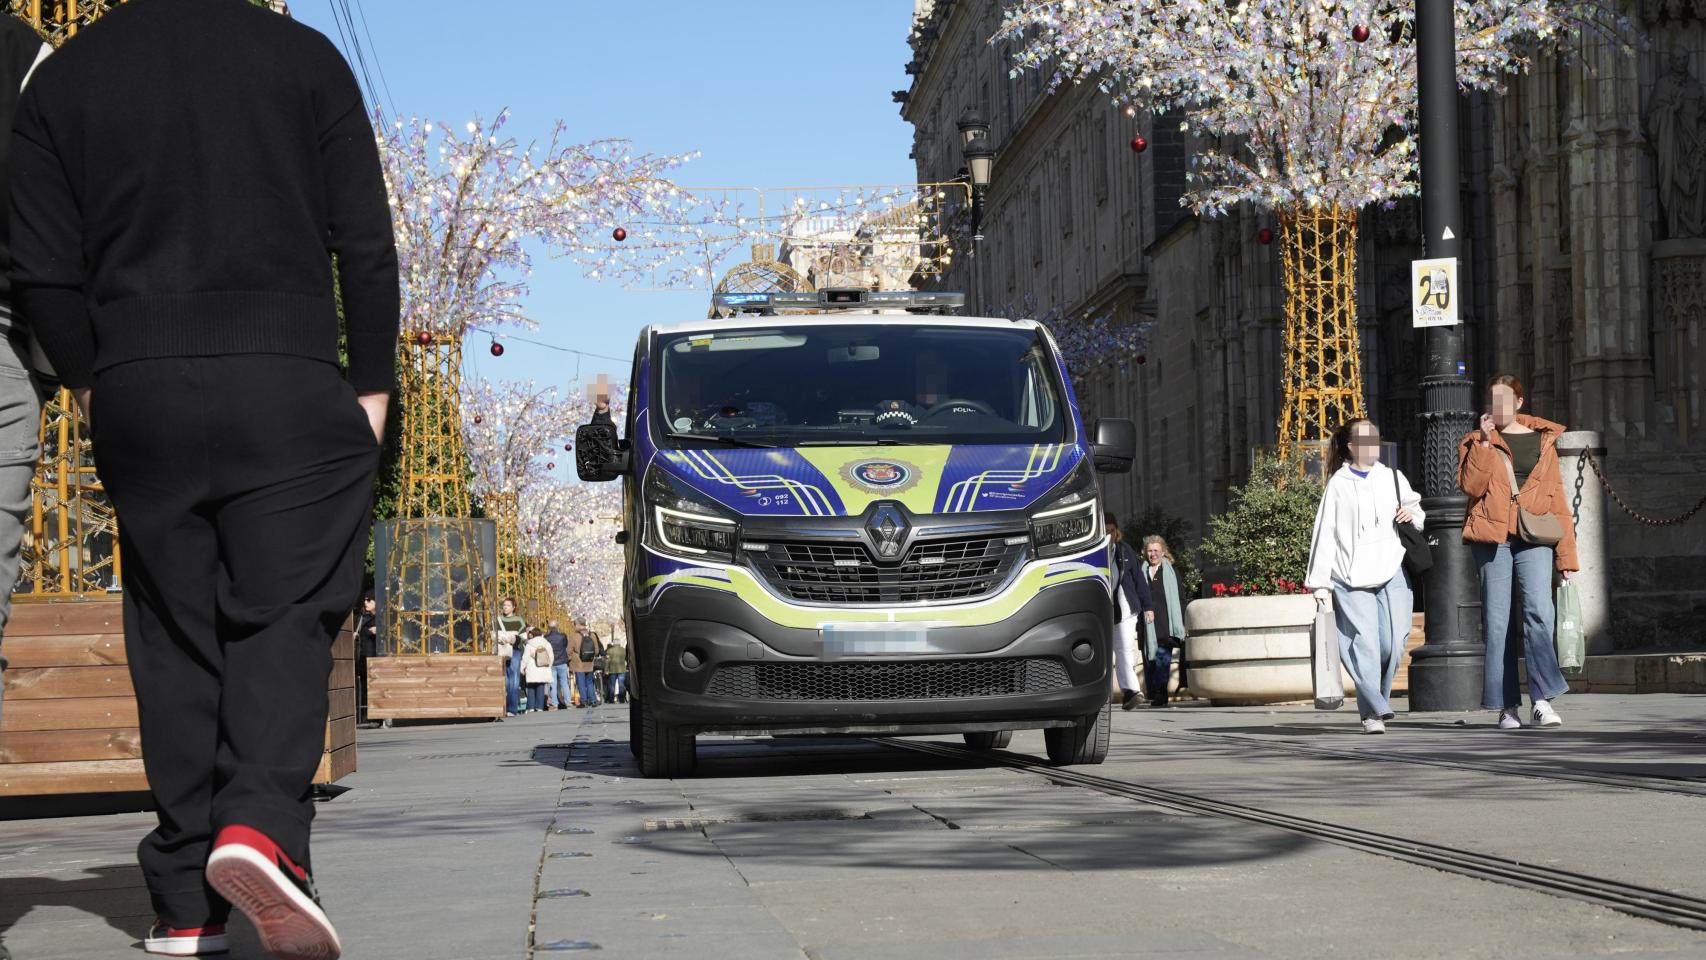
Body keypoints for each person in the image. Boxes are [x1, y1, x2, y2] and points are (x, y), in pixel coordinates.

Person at [9, 3, 399, 956]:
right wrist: (373, 387)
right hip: (285, 374)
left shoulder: (64, 75)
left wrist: (93, 384)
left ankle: (187, 902)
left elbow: (41, 270)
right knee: (285, 609)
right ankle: (261, 828)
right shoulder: (306, 60)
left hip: (138, 386)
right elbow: (366, 245)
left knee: (174, 628)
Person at [1459, 374, 1577, 729]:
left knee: (1540, 613)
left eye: (1506, 400)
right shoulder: (1475, 441)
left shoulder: (1544, 442)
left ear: (1519, 403)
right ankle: (1506, 705)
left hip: (1535, 535)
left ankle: (1542, 700)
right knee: (1498, 622)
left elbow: (1557, 500)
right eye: (1493, 400)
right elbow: (1471, 486)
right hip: (1493, 538)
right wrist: (1482, 443)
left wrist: (1567, 559)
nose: (1499, 408)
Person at [1305, 419, 1424, 735]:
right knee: (1367, 645)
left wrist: (1411, 515)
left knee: (1394, 643)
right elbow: (1325, 533)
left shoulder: (1392, 477)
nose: (1373, 445)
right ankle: (1373, 712)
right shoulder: (1339, 484)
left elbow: (1417, 510)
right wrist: (1319, 583)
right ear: (1352, 446)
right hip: (1350, 575)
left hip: (1392, 568)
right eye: (1366, 440)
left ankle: (1377, 703)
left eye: (1376, 438)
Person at [1105, 511, 1153, 710]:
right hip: (1105, 610)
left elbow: (1139, 581)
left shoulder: (1125, 551)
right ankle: (1114, 694)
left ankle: (1132, 690)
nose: (1109, 534)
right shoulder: (1096, 554)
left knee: (1125, 648)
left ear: (1117, 531)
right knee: (1108, 653)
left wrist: (1148, 606)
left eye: (1112, 530)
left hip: (1126, 608)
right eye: (1105, 531)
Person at [1141, 536, 1189, 707]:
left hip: (1167, 622)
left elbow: (1181, 597)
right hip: (1148, 624)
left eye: (1156, 551)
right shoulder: (1143, 571)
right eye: (1150, 551)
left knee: (1163, 656)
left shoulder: (1170, 571)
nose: (1153, 554)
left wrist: (1182, 621)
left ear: (1163, 552)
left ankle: (1161, 693)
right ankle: (1155, 691)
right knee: (1151, 659)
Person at [494, 597, 526, 716]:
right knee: (504, 680)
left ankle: (512, 708)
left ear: (513, 607)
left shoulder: (518, 620)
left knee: (514, 680)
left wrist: (514, 639)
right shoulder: (497, 620)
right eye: (504, 605)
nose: (505, 607)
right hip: (501, 651)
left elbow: (524, 638)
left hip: (515, 651)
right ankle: (503, 706)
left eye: (508, 605)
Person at [352, 594, 378, 726]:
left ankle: (373, 717)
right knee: (363, 687)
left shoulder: (379, 618)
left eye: (369, 600)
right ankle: (363, 716)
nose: (366, 603)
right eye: (364, 600)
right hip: (362, 656)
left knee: (372, 687)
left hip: (373, 657)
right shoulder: (363, 618)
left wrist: (380, 631)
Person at [570, 623, 603, 709]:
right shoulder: (592, 635)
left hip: (579, 664)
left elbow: (569, 650)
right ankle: (593, 701)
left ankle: (583, 702)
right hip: (589, 663)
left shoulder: (574, 636)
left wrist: (570, 659)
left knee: (581, 683)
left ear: (578, 626)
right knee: (589, 682)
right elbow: (596, 650)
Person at [520, 628, 553, 714]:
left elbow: (525, 658)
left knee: (531, 687)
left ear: (532, 634)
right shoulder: (546, 643)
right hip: (543, 668)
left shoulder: (529, 644)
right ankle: (539, 707)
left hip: (532, 668)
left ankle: (531, 707)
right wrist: (549, 665)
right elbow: (551, 656)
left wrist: (522, 667)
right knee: (541, 687)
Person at [544, 620, 572, 710]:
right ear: (557, 626)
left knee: (553, 683)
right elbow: (565, 646)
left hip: (552, 662)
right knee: (564, 683)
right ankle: (568, 702)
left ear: (549, 628)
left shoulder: (546, 637)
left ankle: (555, 703)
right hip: (562, 662)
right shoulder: (563, 636)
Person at [605, 638, 628, 705]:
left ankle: (611, 700)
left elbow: (607, 661)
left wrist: (606, 670)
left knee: (612, 685)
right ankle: (621, 699)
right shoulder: (623, 650)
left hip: (612, 670)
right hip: (622, 669)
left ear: (614, 643)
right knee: (621, 685)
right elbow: (626, 658)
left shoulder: (609, 650)